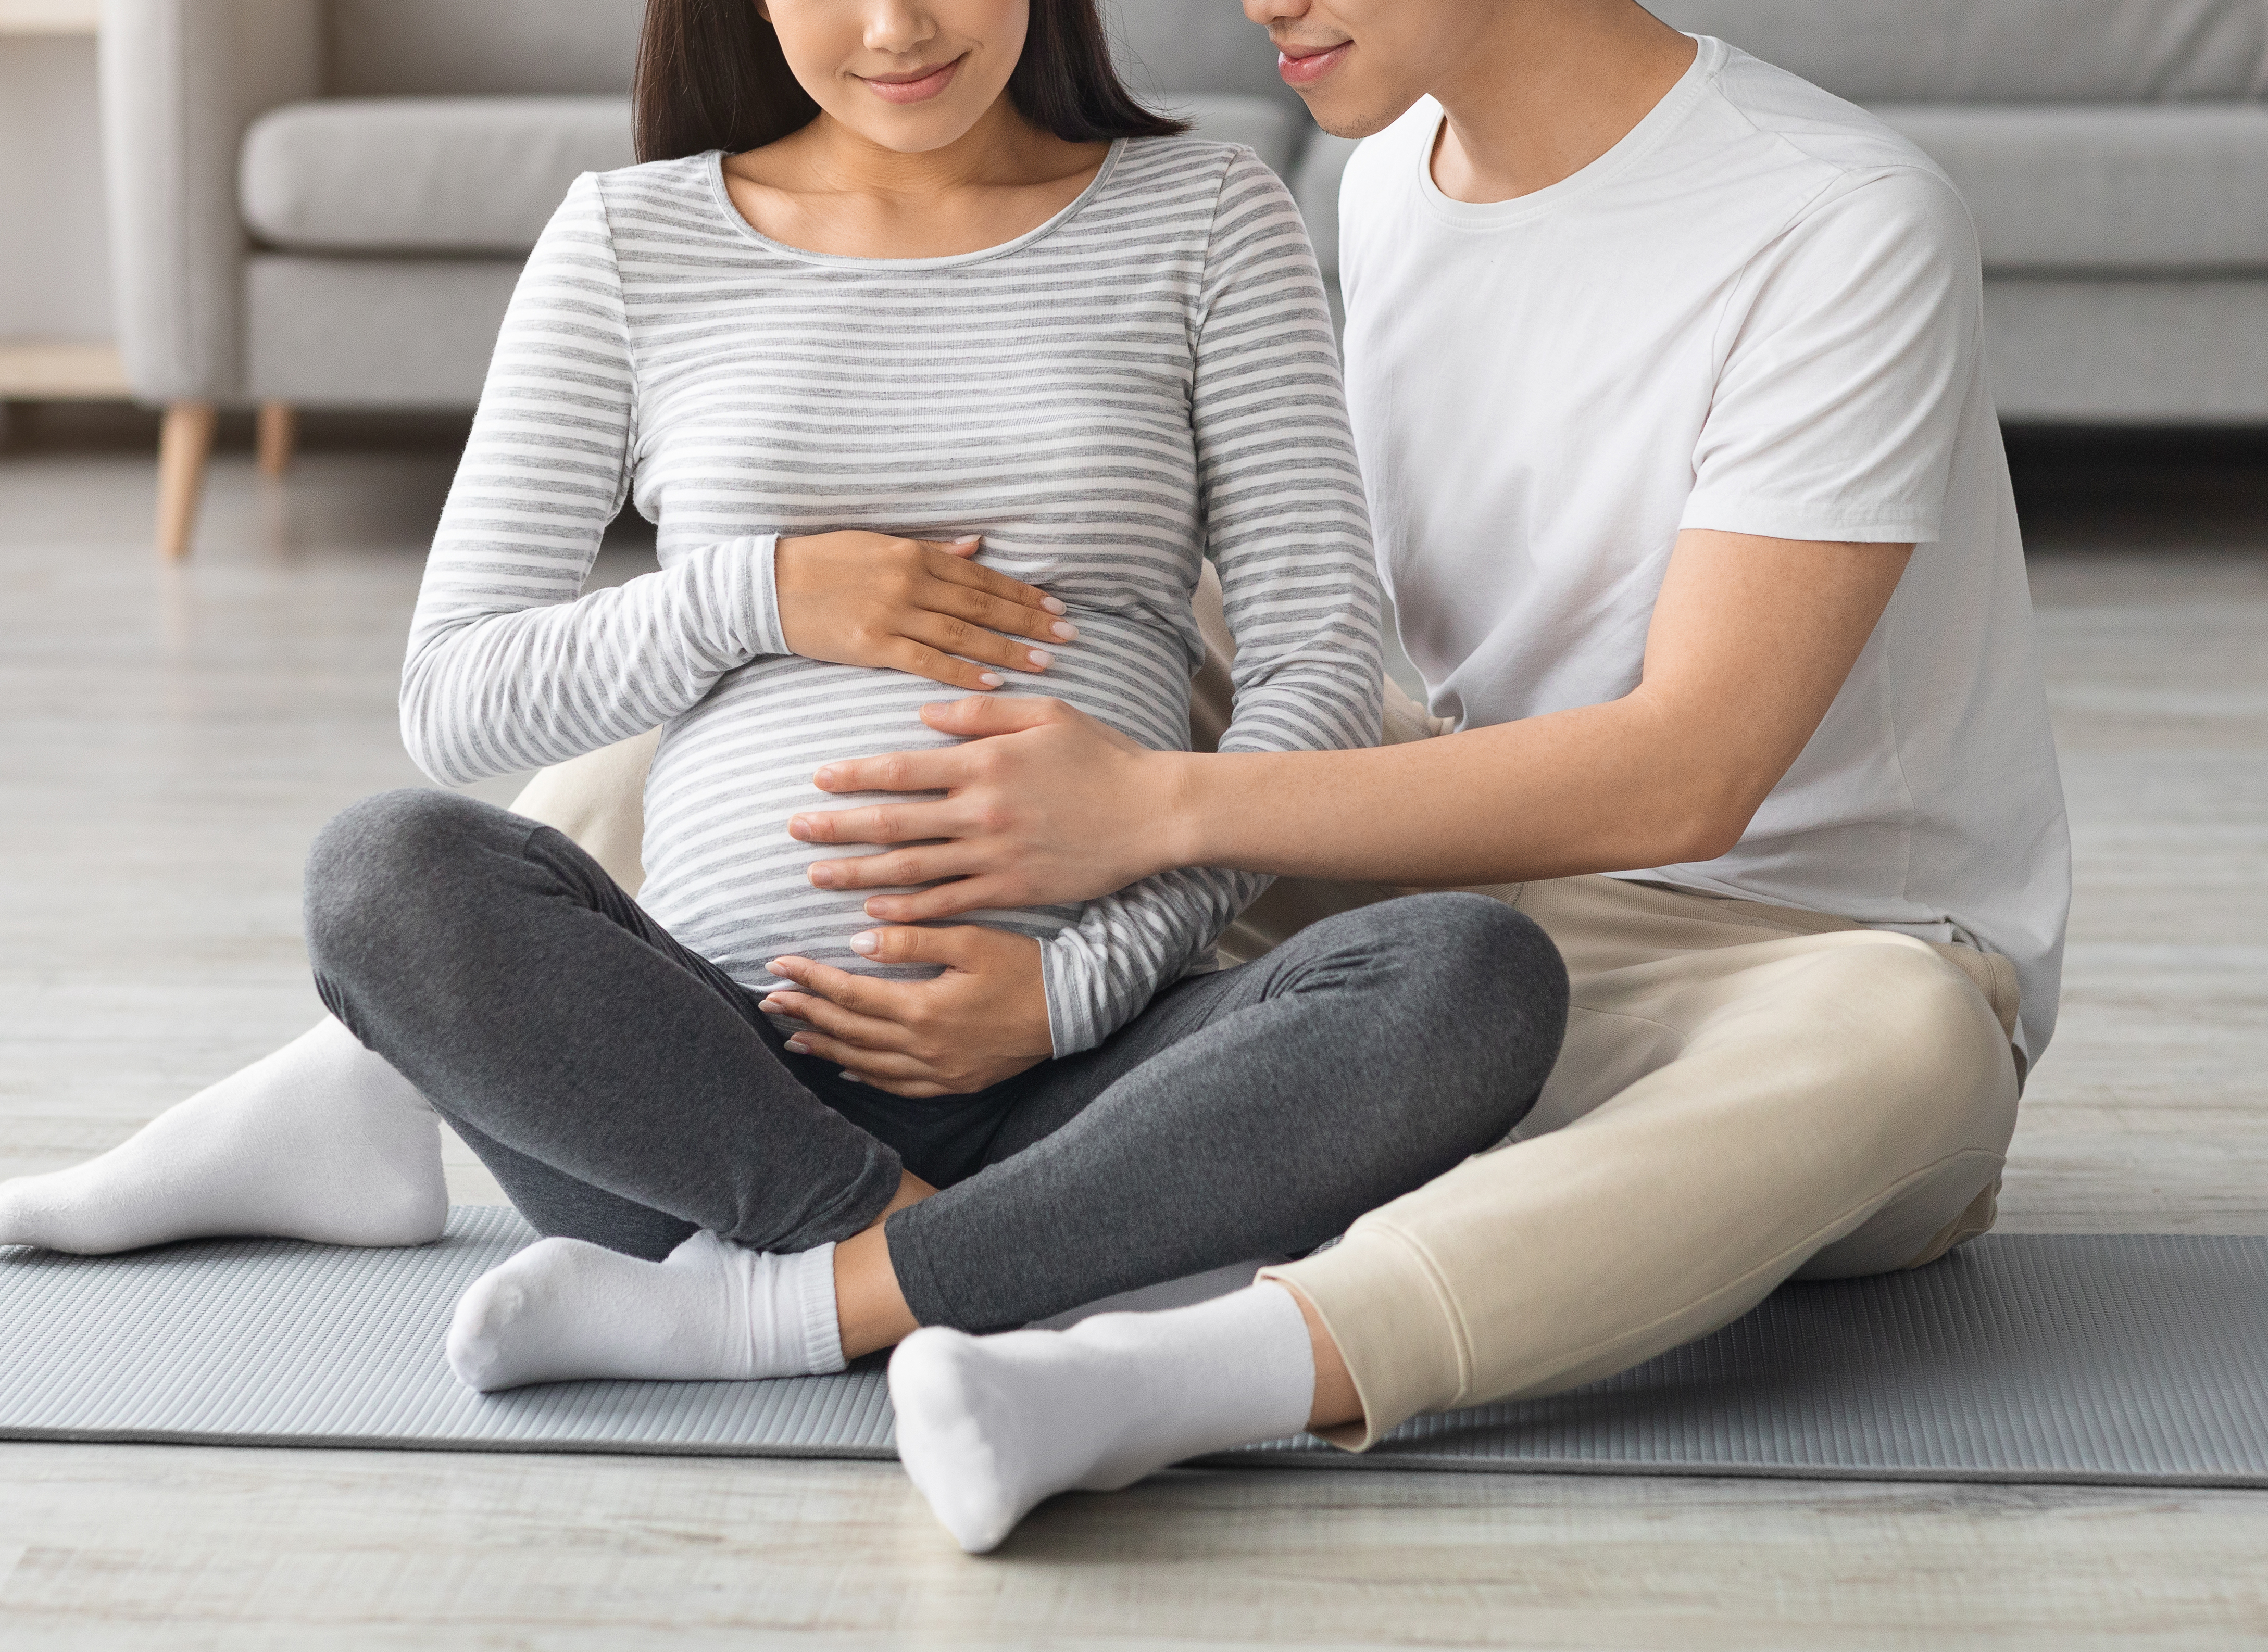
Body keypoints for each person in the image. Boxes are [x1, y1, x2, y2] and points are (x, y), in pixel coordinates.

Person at [0, 0, 1570, 1392]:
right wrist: (763, 590)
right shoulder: (630, 238)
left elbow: (1315, 674)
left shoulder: (1209, 215)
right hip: (698, 1094)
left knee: (1470, 975)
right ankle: (926, 1267)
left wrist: (1070, 992)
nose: (896, 29)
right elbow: (455, 693)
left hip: (1103, 1074)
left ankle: (780, 1306)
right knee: (385, 871)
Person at [765, 0, 2071, 1550]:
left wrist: (1150, 812)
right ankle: (469, 1002)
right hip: (1448, 887)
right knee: (903, 675)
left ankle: (1164, 1379)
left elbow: (1690, 774)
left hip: (1781, 958)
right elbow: (1350, 643)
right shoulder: (1386, 173)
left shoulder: (1842, 223)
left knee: (1913, 1036)